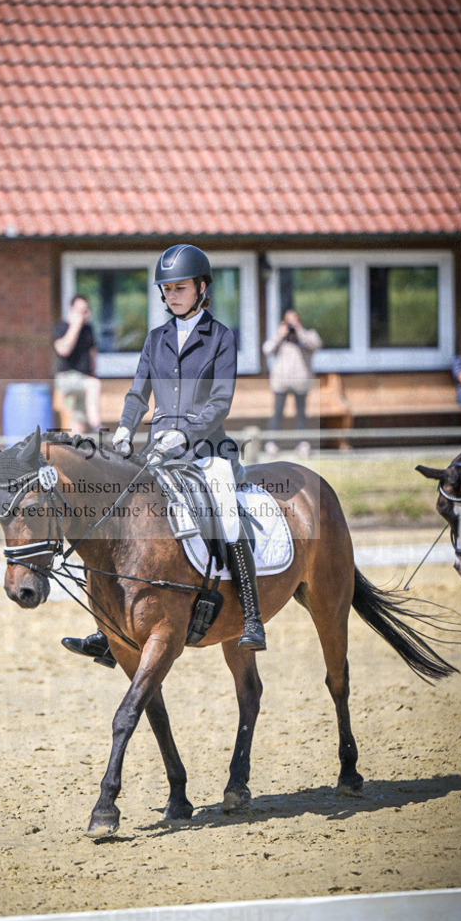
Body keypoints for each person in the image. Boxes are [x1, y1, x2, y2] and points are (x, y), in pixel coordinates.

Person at [61, 243, 266, 667]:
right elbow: (138, 393)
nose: (172, 295)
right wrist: (124, 428)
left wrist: (185, 434)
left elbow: (221, 402)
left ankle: (252, 616)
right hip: (157, 451)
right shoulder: (156, 339)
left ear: (202, 288)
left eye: (180, 288)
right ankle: (108, 630)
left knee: (227, 513)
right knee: (117, 518)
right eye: (167, 289)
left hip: (207, 450)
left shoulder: (221, 337)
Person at [262, 309, 322, 457]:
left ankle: (302, 444)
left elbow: (316, 345)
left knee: (301, 414)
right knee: (277, 413)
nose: (291, 325)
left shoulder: (307, 335)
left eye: (294, 321)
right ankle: (272, 443)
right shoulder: (280, 338)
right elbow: (266, 350)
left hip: (301, 382)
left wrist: (300, 331)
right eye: (289, 321)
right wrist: (279, 335)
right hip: (281, 383)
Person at [53, 295, 101, 435]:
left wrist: (93, 373)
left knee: (78, 422)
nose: (83, 314)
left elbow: (92, 354)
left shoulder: (88, 330)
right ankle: (96, 425)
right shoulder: (62, 328)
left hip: (84, 380)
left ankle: (76, 445)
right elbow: (63, 350)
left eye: (85, 311)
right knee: (94, 385)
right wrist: (75, 326)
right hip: (67, 379)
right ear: (71, 310)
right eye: (79, 310)